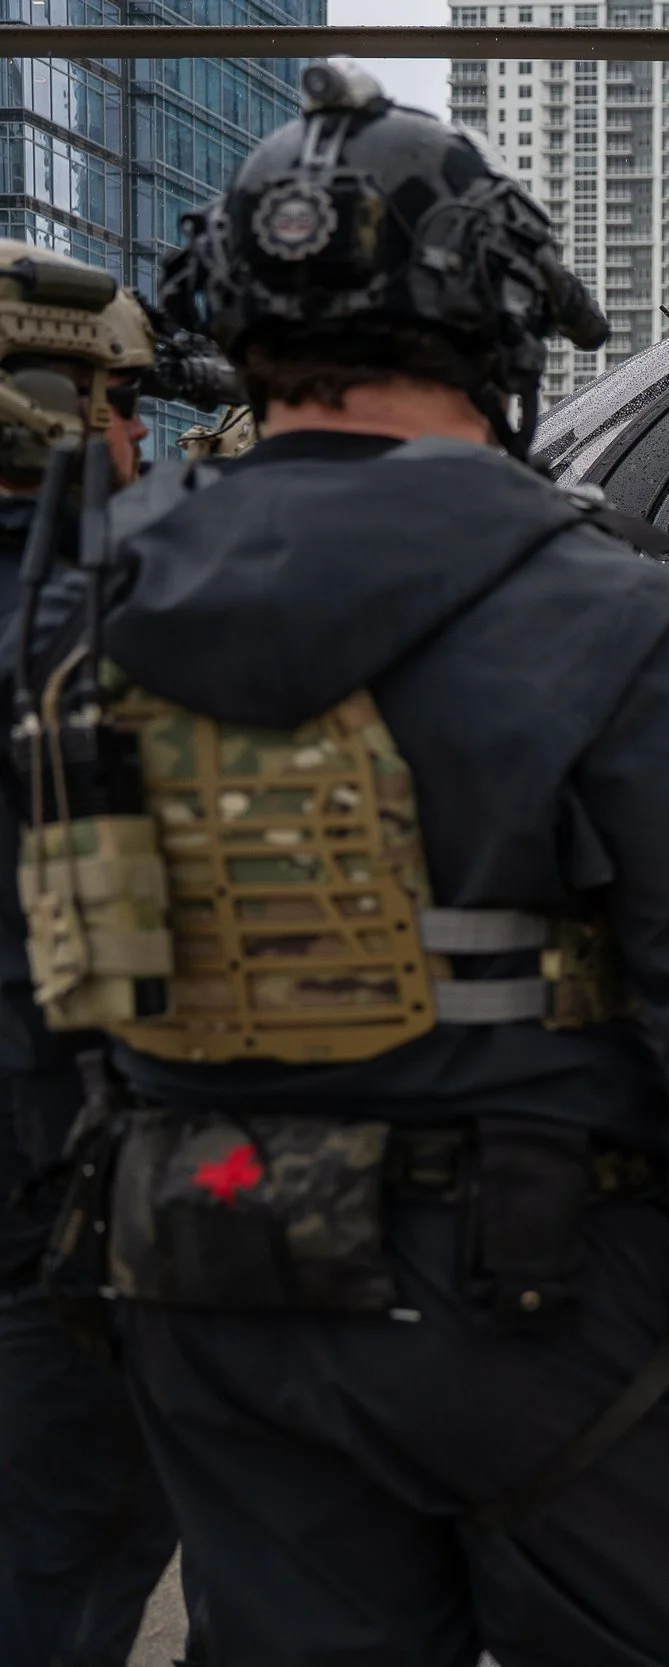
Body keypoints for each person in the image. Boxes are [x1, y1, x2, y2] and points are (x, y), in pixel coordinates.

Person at [23, 64, 669, 1665]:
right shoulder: (609, 616)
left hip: (209, 1274)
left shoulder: (85, 610)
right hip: (543, 1307)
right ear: (499, 317)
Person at [0, 241, 193, 1667]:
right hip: (53, 1158)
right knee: (72, 1539)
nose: (141, 437)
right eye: (120, 405)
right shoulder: (111, 621)